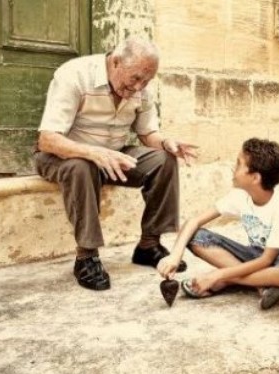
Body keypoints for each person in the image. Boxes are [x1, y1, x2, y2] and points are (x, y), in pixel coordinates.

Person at [34, 38, 197, 291]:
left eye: (146, 81)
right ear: (116, 62)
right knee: (81, 166)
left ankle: (149, 245)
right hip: (64, 155)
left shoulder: (141, 88)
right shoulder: (74, 75)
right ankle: (86, 256)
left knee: (163, 160)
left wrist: (166, 143)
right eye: (135, 78)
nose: (139, 87)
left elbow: (147, 134)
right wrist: (93, 153)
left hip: (113, 154)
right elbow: (48, 139)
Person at [157, 138, 279, 310]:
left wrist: (217, 276)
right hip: (255, 256)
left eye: (238, 164)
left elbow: (267, 259)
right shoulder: (239, 196)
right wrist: (174, 256)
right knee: (195, 236)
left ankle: (232, 281)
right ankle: (261, 284)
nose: (233, 168)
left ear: (255, 177)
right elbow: (194, 221)